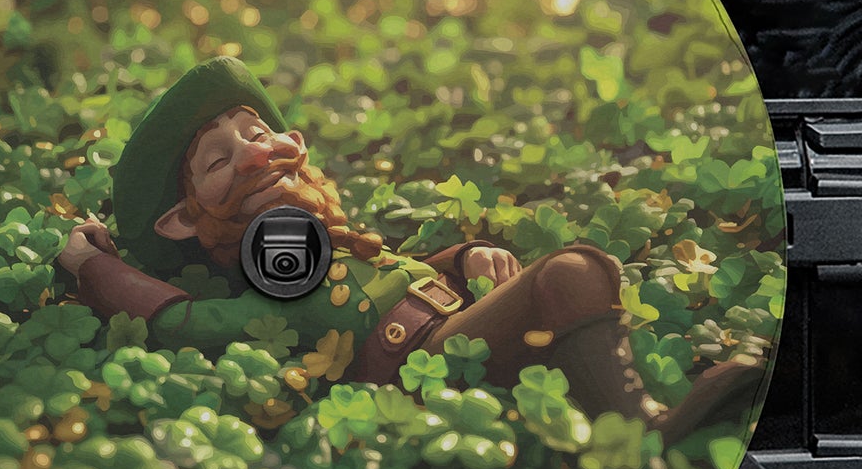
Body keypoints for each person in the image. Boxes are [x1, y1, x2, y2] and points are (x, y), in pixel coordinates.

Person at [57, 56, 758, 443]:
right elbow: (183, 322)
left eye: (254, 129)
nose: (254, 155)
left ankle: (616, 412)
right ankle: (639, 440)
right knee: (572, 272)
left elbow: (385, 264)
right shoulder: (279, 277)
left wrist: (459, 262)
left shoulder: (321, 239)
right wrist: (95, 268)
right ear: (185, 221)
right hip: (419, 371)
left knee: (568, 288)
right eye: (219, 159)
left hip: (451, 335)